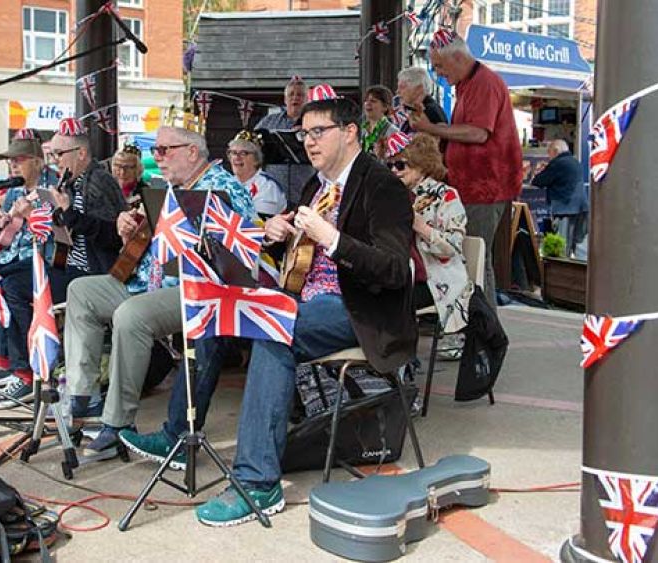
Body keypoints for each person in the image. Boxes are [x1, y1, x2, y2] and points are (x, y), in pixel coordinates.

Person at [122, 88, 416, 527]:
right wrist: (278, 231)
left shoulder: (382, 185)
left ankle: (258, 482)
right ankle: (179, 434)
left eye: (319, 131)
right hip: (306, 300)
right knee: (214, 311)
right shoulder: (319, 186)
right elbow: (300, 255)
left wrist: (329, 237)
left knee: (271, 330)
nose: (309, 142)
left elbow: (396, 270)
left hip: (359, 310)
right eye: (304, 134)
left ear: (350, 133)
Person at [64, 124, 256, 457]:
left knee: (132, 315)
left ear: (192, 152)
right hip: (145, 282)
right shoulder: (163, 189)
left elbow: (241, 249)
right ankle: (87, 399)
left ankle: (118, 422)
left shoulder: (223, 187)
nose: (157, 158)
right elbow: (146, 238)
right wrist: (128, 224)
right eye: (155, 151)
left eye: (164, 150)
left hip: (196, 289)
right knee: (81, 291)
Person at [0, 119, 126, 407]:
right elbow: (68, 233)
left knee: (15, 286)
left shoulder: (98, 181)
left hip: (92, 273)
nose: (55, 161)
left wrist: (66, 214)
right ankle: (21, 362)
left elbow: (111, 237)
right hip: (69, 264)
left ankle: (37, 366)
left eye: (59, 155)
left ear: (80, 153)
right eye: (52, 155)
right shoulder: (72, 180)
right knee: (3, 277)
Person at [410, 30, 523, 308]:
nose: (437, 73)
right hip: (470, 187)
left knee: (475, 258)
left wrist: (430, 128)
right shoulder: (468, 83)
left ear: (458, 57)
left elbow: (478, 134)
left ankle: (484, 336)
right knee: (468, 257)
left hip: (485, 187)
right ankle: (475, 332)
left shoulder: (485, 83)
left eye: (439, 66)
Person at [386, 132, 471, 334]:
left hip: (433, 280)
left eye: (401, 165)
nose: (394, 171)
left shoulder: (445, 196)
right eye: (390, 166)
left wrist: (420, 226)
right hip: (398, 273)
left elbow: (452, 247)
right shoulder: (392, 196)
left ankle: (399, 359)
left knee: (384, 303)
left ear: (421, 164)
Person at [255, 76, 315, 204]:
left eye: (300, 95)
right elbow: (253, 145)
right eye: (291, 94)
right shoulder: (269, 121)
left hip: (304, 187)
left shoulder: (314, 121)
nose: (295, 98)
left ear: (307, 99)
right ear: (285, 99)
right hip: (272, 191)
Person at [530, 139, 588, 258]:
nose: (548, 157)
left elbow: (538, 181)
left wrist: (539, 171)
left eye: (549, 153)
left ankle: (560, 273)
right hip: (580, 208)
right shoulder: (573, 161)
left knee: (561, 246)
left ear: (556, 151)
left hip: (564, 209)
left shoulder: (558, 163)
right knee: (574, 246)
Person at [227, 130, 287, 218]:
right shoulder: (228, 182)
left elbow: (258, 223)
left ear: (256, 159)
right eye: (233, 152)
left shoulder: (267, 187)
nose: (237, 157)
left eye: (243, 153)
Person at [395, 67, 448, 134]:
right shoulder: (416, 110)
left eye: (402, 87)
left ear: (419, 89)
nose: (398, 91)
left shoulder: (430, 112)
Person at [360, 85, 401, 159]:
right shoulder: (361, 130)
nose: (367, 103)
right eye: (366, 100)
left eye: (373, 101)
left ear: (385, 107)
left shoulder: (393, 132)